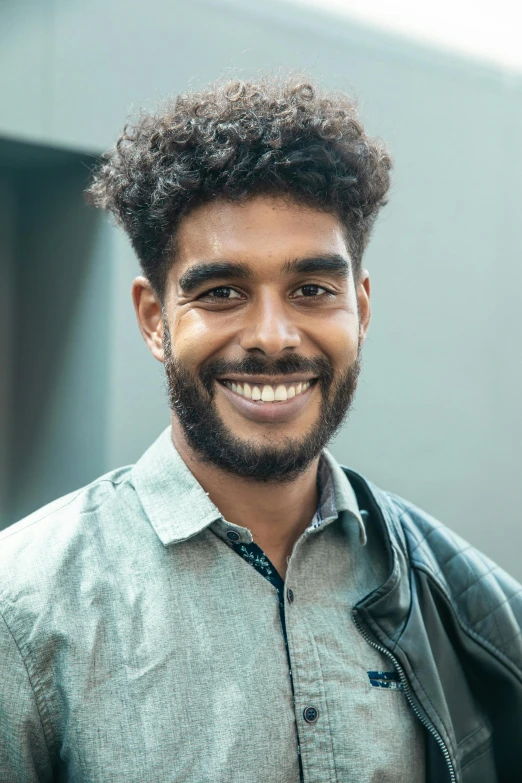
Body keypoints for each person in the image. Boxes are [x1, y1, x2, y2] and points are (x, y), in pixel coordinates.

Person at [0, 75, 520, 783]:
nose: (273, 337)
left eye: (312, 290)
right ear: (155, 319)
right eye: (222, 293)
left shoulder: (465, 600)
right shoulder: (22, 607)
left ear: (360, 309)